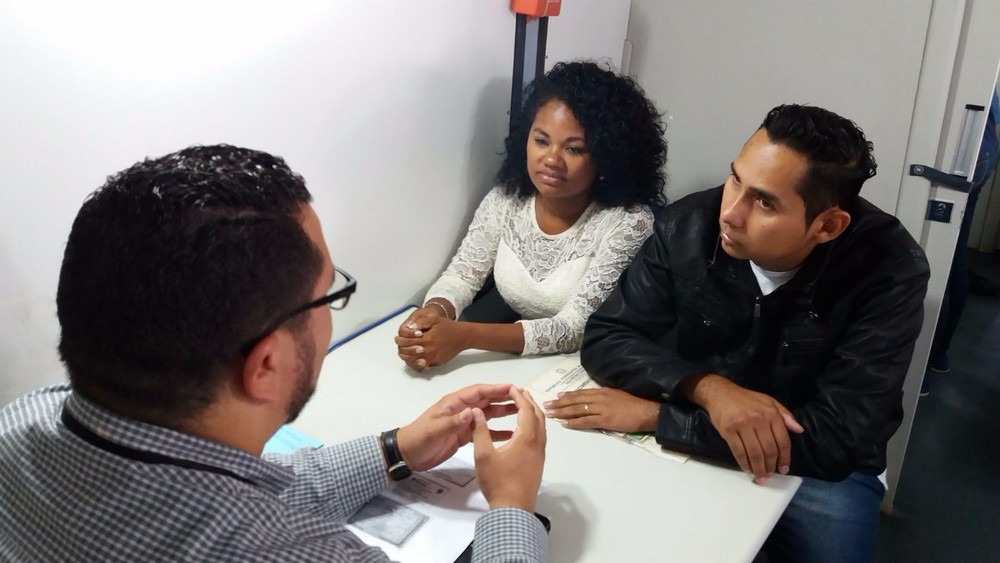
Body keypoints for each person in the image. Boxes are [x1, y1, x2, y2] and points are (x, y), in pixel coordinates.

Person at [0, 145, 548, 562]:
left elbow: (219, 486)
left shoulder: (18, 425)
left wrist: (395, 448)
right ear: (265, 366)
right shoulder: (301, 552)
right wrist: (512, 507)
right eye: (331, 295)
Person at [544, 105, 930, 562]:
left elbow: (839, 437)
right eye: (735, 179)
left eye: (764, 202)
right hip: (698, 432)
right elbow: (608, 335)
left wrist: (658, 418)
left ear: (827, 226)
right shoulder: (690, 224)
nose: (731, 212)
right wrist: (711, 390)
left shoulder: (889, 268)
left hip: (814, 466)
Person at [395, 61, 666, 370]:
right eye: (541, 141)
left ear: (607, 158)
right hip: (516, 363)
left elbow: (575, 328)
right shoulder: (506, 199)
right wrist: (436, 312)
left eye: (574, 149)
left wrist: (464, 335)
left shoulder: (629, 223)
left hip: (588, 368)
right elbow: (462, 275)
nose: (551, 159)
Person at [924, 89, 1000, 392]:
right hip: (983, 146)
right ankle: (938, 355)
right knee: (954, 258)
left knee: (938, 262)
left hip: (961, 150)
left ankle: (921, 369)